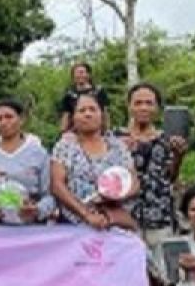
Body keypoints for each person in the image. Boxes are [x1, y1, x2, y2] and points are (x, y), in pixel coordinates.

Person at [118, 82, 186, 286]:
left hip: (161, 214)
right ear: (129, 106)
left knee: (166, 278)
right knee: (127, 275)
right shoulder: (116, 138)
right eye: (138, 102)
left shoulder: (168, 139)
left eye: (149, 103)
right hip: (126, 216)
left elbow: (170, 177)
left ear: (158, 108)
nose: (143, 107)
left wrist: (179, 155)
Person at [50, 93, 137, 230]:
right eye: (82, 110)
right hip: (75, 224)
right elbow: (57, 185)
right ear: (73, 118)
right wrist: (86, 215)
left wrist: (113, 196)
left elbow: (134, 182)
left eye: (92, 109)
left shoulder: (117, 146)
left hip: (114, 222)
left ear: (102, 115)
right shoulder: (64, 147)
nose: (87, 114)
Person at [0, 99, 55, 224]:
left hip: (31, 229)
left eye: (9, 117)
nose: (4, 122)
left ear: (21, 119)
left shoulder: (39, 153)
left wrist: (38, 210)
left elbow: (49, 195)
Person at [58, 62, 110, 132]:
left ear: (88, 74)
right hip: (76, 131)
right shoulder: (69, 95)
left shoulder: (99, 91)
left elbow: (105, 112)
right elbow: (66, 115)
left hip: (97, 130)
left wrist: (107, 129)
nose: (79, 75)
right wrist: (63, 132)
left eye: (82, 72)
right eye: (76, 73)